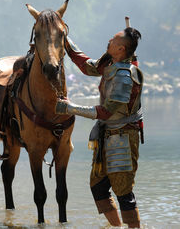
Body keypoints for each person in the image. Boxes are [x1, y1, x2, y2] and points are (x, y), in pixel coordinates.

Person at [55, 23, 144, 228]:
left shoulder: (124, 76)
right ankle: (117, 227)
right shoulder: (111, 63)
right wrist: (65, 40)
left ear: (121, 49)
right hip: (107, 135)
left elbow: (105, 112)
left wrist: (70, 108)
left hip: (122, 137)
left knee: (123, 192)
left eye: (114, 40)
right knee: (98, 188)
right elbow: (88, 66)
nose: (109, 41)